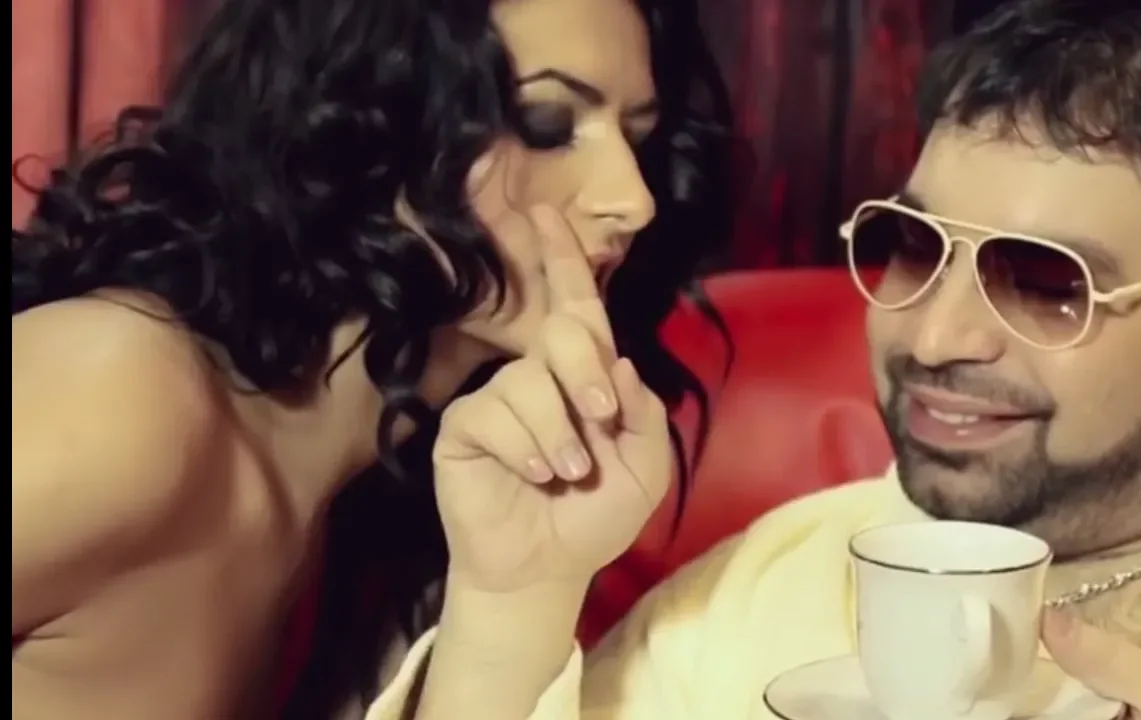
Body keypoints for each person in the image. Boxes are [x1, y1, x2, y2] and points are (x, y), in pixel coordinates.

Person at [369, 0, 1141, 718]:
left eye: (1043, 281)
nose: (933, 339)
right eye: (913, 247)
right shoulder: (765, 587)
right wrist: (511, 606)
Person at [10, 0, 733, 717]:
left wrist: (518, 599)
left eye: (638, 139)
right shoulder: (116, 394)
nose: (632, 199)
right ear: (354, 112)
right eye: (546, 124)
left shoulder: (416, 502)